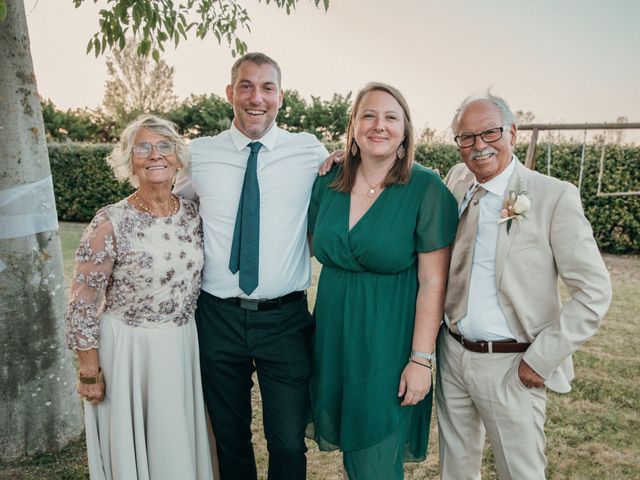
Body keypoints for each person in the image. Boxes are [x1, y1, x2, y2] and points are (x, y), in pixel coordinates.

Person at [436, 93, 612, 479]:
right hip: (452, 354)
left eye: (490, 132)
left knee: (521, 472)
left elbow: (594, 292)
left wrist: (542, 358)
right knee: (455, 469)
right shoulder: (456, 179)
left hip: (513, 364)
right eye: (466, 137)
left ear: (512, 132)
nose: (479, 145)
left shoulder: (553, 195)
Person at [173, 52, 331, 480]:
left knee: (286, 440)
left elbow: (358, 179)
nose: (256, 97)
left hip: (285, 320)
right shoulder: (201, 154)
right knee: (229, 437)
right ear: (230, 93)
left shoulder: (309, 151)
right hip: (218, 317)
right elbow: (170, 207)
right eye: (246, 86)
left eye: (267, 87)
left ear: (281, 96)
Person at [307, 82, 459, 480]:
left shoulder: (427, 189)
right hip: (333, 338)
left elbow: (433, 282)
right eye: (368, 115)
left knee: (375, 460)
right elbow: (310, 244)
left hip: (388, 344)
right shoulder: (327, 182)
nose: (379, 125)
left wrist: (420, 360)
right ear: (353, 126)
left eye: (391, 117)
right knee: (353, 457)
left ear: (406, 130)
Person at [65, 114, 215, 480]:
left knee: (176, 441)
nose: (155, 155)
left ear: (179, 157)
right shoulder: (110, 221)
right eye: (142, 148)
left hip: (182, 344)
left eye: (164, 146)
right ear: (129, 159)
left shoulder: (194, 215)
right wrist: (89, 371)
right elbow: (82, 303)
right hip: (129, 351)